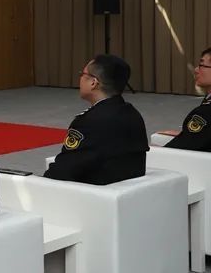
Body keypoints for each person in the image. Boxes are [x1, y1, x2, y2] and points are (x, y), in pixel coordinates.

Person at [44, 54, 148, 185]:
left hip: (91, 191)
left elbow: (63, 170)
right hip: (127, 187)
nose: (80, 78)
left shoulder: (88, 122)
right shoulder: (132, 113)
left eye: (82, 74)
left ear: (93, 82)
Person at [162, 47, 211, 152]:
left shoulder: (205, 113)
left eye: (202, 65)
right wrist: (186, 134)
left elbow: (179, 149)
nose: (196, 70)